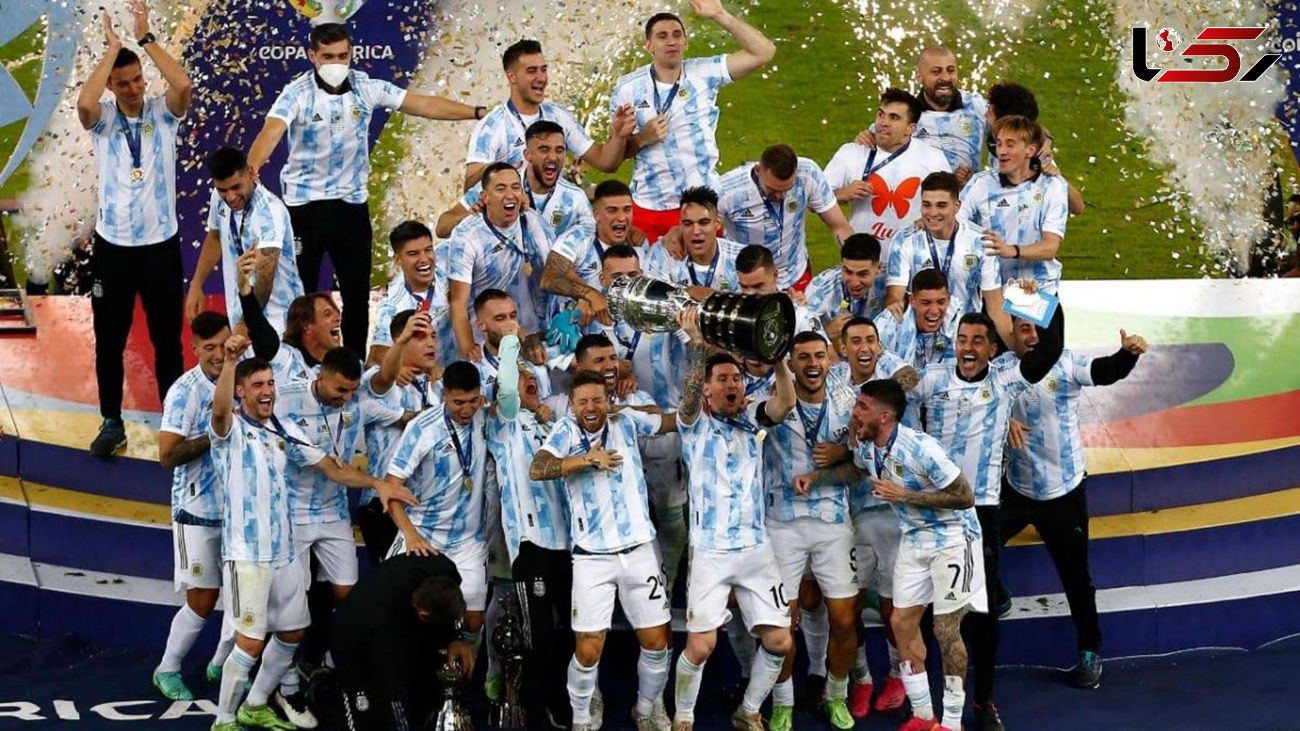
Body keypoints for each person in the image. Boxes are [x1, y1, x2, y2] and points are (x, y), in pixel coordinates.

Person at [207, 338, 412, 731]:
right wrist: (231, 362)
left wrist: (378, 484)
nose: (267, 391)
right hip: (247, 553)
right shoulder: (229, 431)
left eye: (270, 383)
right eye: (257, 385)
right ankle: (224, 719)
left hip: (284, 551)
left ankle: (255, 703)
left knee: (293, 630)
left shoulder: (284, 431)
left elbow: (333, 468)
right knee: (250, 641)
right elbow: (219, 411)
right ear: (240, 392)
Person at [247, 22, 483, 356]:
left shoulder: (365, 87)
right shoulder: (297, 93)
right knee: (302, 300)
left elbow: (421, 104)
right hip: (304, 210)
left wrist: (476, 112)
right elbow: (271, 132)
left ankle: (353, 368)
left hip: (351, 209)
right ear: (312, 56)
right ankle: (299, 367)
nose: (336, 63)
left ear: (352, 54)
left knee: (356, 297)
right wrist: (252, 169)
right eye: (328, 56)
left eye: (342, 55)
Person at [910, 308, 1064, 731]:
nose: (968, 348)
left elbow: (1051, 348)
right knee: (930, 612)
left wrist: (1043, 300)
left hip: (981, 512)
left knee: (981, 614)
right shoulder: (932, 379)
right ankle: (929, 707)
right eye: (963, 339)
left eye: (978, 341)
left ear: (993, 349)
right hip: (934, 511)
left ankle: (983, 701)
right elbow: (890, 395)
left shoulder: (1005, 379)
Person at [796, 379, 980, 731]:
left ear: (885, 416)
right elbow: (857, 470)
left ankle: (952, 723)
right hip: (913, 538)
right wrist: (816, 478)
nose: (854, 413)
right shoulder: (869, 446)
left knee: (945, 631)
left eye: (862, 407)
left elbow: (965, 497)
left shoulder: (921, 448)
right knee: (900, 623)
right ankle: (924, 717)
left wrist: (905, 495)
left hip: (954, 539)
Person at [528, 371, 679, 731]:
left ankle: (646, 708)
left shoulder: (625, 420)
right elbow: (538, 468)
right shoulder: (565, 430)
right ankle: (582, 718)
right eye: (582, 401)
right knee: (588, 648)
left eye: (597, 399)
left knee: (657, 642)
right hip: (591, 557)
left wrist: (698, 398)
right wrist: (586, 460)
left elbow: (670, 422)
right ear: (572, 404)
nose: (590, 407)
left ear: (608, 400)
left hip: (640, 550)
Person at [1002, 321, 1148, 690]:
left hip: (1063, 494)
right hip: (1016, 489)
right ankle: (997, 595)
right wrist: (1004, 420)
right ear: (1011, 334)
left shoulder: (1066, 363)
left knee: (1076, 578)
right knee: (979, 552)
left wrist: (1127, 356)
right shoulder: (1001, 370)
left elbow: (1104, 371)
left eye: (1038, 330)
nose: (1032, 337)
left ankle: (1089, 650)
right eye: (1023, 329)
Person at [272, 347, 413, 722]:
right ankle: (286, 686)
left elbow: (406, 418)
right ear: (320, 376)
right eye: (340, 390)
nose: (346, 398)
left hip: (333, 513)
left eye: (352, 390)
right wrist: (378, 483)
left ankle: (339, 665)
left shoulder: (358, 402)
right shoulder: (287, 401)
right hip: (291, 513)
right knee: (291, 605)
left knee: (349, 596)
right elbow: (333, 469)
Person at [671, 311, 796, 731]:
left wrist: (778, 361)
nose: (732, 384)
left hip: (756, 549)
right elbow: (689, 401)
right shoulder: (693, 425)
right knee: (701, 646)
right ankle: (683, 719)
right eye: (722, 379)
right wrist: (698, 347)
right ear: (707, 389)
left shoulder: (753, 417)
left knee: (779, 640)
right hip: (711, 551)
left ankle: (749, 710)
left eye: (737, 379)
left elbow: (785, 402)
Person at [75, 3, 191, 456]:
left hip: (160, 247)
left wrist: (145, 40)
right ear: (111, 85)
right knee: (109, 340)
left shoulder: (164, 112)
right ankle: (111, 422)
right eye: (123, 83)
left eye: (138, 80)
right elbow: (85, 104)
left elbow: (182, 84)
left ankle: (173, 422)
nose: (134, 88)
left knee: (167, 341)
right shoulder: (103, 120)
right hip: (115, 249)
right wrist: (111, 51)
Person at [611, 1, 776, 243]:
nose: (671, 41)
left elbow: (764, 52)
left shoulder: (704, 73)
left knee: (705, 267)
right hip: (651, 206)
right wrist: (643, 138)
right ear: (649, 45)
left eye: (677, 35)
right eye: (662, 36)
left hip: (702, 204)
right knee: (647, 268)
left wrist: (720, 15)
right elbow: (613, 157)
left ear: (685, 42)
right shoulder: (627, 88)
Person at [759, 332, 859, 730]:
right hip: (782, 524)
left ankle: (836, 694)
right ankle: (783, 702)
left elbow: (864, 466)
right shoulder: (771, 401)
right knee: (781, 623)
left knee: (845, 621)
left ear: (831, 360)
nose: (812, 363)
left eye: (819, 355)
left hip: (834, 523)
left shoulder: (849, 405)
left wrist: (841, 456)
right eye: (803, 357)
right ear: (791, 363)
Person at [826, 318, 915, 717]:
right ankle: (861, 677)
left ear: (879, 346)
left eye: (870, 340)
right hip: (852, 511)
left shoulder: (893, 369)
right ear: (842, 348)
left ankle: (897, 674)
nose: (864, 347)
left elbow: (910, 380)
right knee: (852, 606)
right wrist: (843, 448)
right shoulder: (832, 383)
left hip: (897, 511)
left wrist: (874, 405)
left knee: (896, 607)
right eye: (855, 341)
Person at [487, 325, 574, 730]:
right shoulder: (503, 425)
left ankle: (558, 698)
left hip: (570, 543)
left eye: (532, 375)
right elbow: (506, 392)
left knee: (571, 628)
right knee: (536, 633)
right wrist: (511, 343)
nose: (529, 380)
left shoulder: (554, 425)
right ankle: (532, 711)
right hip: (531, 543)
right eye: (521, 377)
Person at [153, 312, 235, 701]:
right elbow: (167, 455)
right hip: (196, 509)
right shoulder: (184, 391)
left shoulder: (244, 378)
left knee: (244, 595)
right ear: (195, 348)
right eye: (209, 347)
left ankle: (221, 663)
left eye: (223, 344)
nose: (218, 354)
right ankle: (167, 668)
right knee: (203, 599)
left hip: (241, 510)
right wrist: (215, 435)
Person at [384, 363, 491, 644]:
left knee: (473, 621)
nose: (467, 409)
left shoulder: (485, 418)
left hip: (468, 541)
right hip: (423, 535)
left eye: (473, 400)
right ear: (443, 394)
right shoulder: (422, 428)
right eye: (458, 402)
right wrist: (410, 535)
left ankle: (462, 671)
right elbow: (390, 488)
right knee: (404, 611)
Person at [328, 553, 475, 731]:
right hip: (354, 640)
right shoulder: (384, 622)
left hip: (398, 623)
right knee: (368, 714)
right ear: (423, 615)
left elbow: (450, 605)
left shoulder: (445, 569)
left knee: (422, 691)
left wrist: (455, 638)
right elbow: (392, 685)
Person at [464, 39, 634, 190]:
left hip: (554, 212)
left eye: (543, 70)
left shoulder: (558, 115)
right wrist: (495, 172)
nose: (541, 78)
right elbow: (469, 189)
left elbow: (605, 162)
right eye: (532, 71)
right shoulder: (492, 126)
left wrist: (618, 136)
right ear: (512, 77)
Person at [358, 309, 444, 563]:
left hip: (425, 508)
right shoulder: (380, 380)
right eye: (420, 337)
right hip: (385, 504)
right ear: (400, 340)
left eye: (433, 336)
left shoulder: (437, 386)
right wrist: (401, 344)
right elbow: (385, 376)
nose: (431, 343)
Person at [187, 147, 303, 334]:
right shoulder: (219, 198)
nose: (230, 197)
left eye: (236, 187)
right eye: (223, 190)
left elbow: (264, 280)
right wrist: (196, 284)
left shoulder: (268, 212)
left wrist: (244, 325)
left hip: (279, 323)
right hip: (242, 318)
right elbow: (215, 236)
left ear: (249, 173)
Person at [447, 163, 553, 361]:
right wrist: (470, 348)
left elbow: (557, 271)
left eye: (515, 187)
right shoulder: (466, 236)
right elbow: (457, 302)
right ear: (485, 197)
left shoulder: (533, 222)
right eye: (501, 189)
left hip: (527, 334)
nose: (510, 195)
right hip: (483, 337)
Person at [886, 171, 1010, 341]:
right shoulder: (905, 240)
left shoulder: (980, 241)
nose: (932, 213)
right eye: (927, 205)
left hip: (964, 341)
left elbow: (995, 305)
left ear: (956, 206)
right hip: (917, 340)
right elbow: (895, 298)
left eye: (941, 205)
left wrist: (1016, 349)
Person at [825, 88, 951, 249]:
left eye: (894, 117)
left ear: (910, 129)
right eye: (881, 114)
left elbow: (952, 207)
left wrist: (930, 220)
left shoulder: (933, 158)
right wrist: (844, 194)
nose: (883, 122)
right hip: (863, 259)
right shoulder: (851, 152)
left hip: (913, 258)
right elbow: (813, 203)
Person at [960, 116, 1069, 300]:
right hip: (992, 292)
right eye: (999, 144)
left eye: (1010, 145)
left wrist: (1012, 250)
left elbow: (1050, 247)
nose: (1001, 151)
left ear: (1030, 150)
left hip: (1039, 292)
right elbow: (955, 224)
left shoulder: (1052, 186)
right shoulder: (981, 183)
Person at [714, 144, 851, 291]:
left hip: (795, 275)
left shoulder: (808, 174)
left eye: (787, 189)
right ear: (758, 170)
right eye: (772, 190)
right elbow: (709, 236)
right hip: (749, 282)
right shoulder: (727, 190)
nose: (780, 196)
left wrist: (855, 262)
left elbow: (839, 226)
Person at [858, 47, 989, 185]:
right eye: (936, 71)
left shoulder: (976, 106)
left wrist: (976, 180)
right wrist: (864, 139)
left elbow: (1004, 135)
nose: (945, 78)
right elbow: (871, 144)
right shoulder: (906, 113)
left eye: (951, 70)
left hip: (969, 195)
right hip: (920, 196)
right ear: (919, 77)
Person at [541, 179, 644, 327]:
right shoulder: (578, 238)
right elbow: (548, 279)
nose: (621, 217)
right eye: (612, 210)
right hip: (573, 332)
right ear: (596, 215)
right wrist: (590, 295)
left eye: (627, 210)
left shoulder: (639, 244)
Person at [984, 80, 1085, 216]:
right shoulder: (996, 143)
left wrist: (1058, 179)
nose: (985, 115)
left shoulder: (1034, 158)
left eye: (990, 110)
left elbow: (1078, 207)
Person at [367, 221, 455, 368]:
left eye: (428, 250)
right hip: (437, 377)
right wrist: (403, 367)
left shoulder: (447, 256)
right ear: (398, 260)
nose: (424, 259)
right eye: (413, 254)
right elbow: (375, 357)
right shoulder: (391, 305)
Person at [645, 186, 744, 292]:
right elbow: (651, 297)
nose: (696, 231)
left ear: (717, 224)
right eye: (688, 223)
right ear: (680, 226)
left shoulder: (740, 258)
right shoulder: (662, 254)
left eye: (704, 223)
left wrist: (704, 295)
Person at [874, 268, 961, 372]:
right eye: (926, 303)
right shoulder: (890, 321)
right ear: (912, 300)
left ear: (949, 299)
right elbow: (870, 351)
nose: (934, 311)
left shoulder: (959, 324)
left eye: (941, 302)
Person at [735, 245, 826, 336]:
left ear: (775, 275)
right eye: (744, 287)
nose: (750, 294)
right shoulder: (732, 315)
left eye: (757, 286)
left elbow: (820, 345)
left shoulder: (800, 317)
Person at [804, 234, 889, 325]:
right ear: (841, 265)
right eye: (848, 272)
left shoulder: (891, 283)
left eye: (863, 274)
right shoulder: (820, 289)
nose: (854, 283)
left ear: (878, 268)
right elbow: (802, 326)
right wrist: (827, 330)